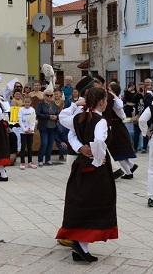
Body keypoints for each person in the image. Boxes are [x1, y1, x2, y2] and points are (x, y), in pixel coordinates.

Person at [55, 87, 118, 263]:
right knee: (95, 203)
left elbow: (71, 133)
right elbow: (99, 141)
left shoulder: (78, 117)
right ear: (101, 102)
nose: (107, 103)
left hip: (81, 163)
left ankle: (79, 247)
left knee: (81, 202)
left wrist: (80, 148)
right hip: (95, 168)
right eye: (106, 100)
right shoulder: (100, 121)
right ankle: (81, 246)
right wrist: (99, 158)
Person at [107, 83, 138, 179]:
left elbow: (121, 112)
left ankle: (129, 172)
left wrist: (114, 96)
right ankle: (131, 166)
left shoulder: (116, 100)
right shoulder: (113, 99)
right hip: (117, 126)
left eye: (109, 89)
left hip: (116, 127)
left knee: (118, 151)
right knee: (120, 151)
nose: (108, 91)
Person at [36, 87, 60, 167]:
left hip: (52, 126)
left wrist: (56, 117)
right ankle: (40, 160)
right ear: (44, 96)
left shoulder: (53, 104)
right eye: (47, 95)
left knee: (50, 144)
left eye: (51, 95)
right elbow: (38, 114)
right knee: (44, 143)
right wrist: (48, 116)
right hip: (44, 127)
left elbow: (57, 113)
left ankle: (48, 159)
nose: (49, 97)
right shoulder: (40, 104)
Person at [18, 97, 37, 170]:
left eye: (28, 102)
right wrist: (25, 129)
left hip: (31, 131)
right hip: (23, 132)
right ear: (23, 102)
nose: (27, 104)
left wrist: (32, 129)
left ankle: (30, 161)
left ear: (30, 102)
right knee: (23, 147)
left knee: (30, 147)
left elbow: (33, 120)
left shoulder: (32, 110)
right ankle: (22, 162)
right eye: (25, 102)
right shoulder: (21, 110)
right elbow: (20, 121)